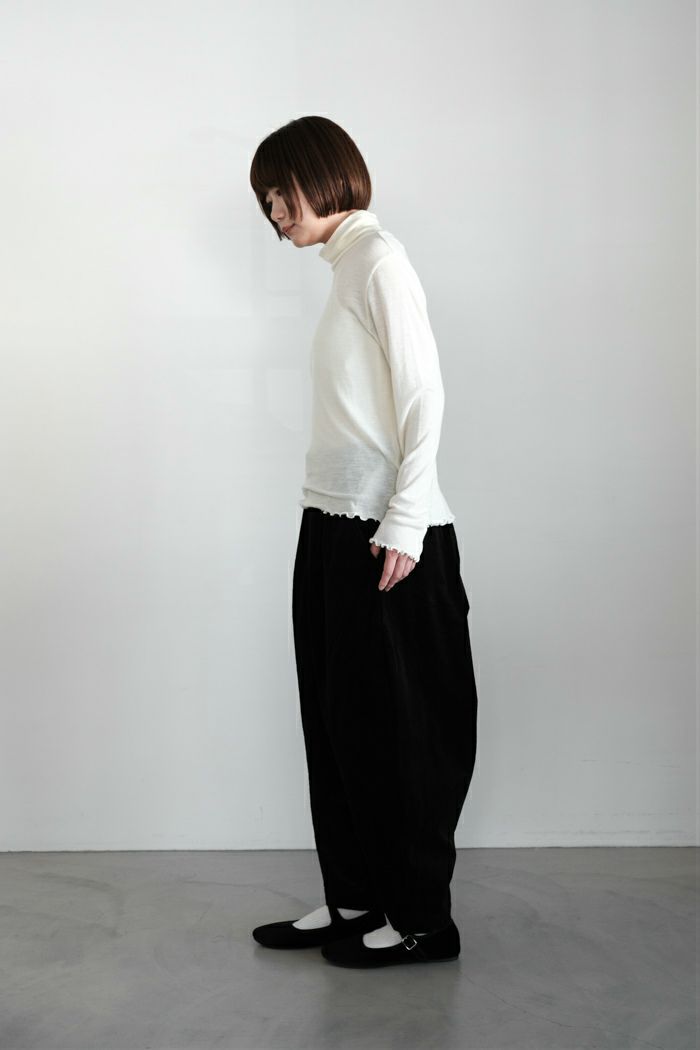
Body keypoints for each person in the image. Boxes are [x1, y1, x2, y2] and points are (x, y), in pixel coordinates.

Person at [248, 116, 478, 968]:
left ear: (322, 176)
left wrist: (406, 520)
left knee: (403, 733)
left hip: (388, 535)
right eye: (267, 203)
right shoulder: (345, 267)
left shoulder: (380, 260)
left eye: (281, 194)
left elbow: (424, 396)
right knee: (337, 721)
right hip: (330, 522)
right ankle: (355, 896)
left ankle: (421, 920)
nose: (275, 215)